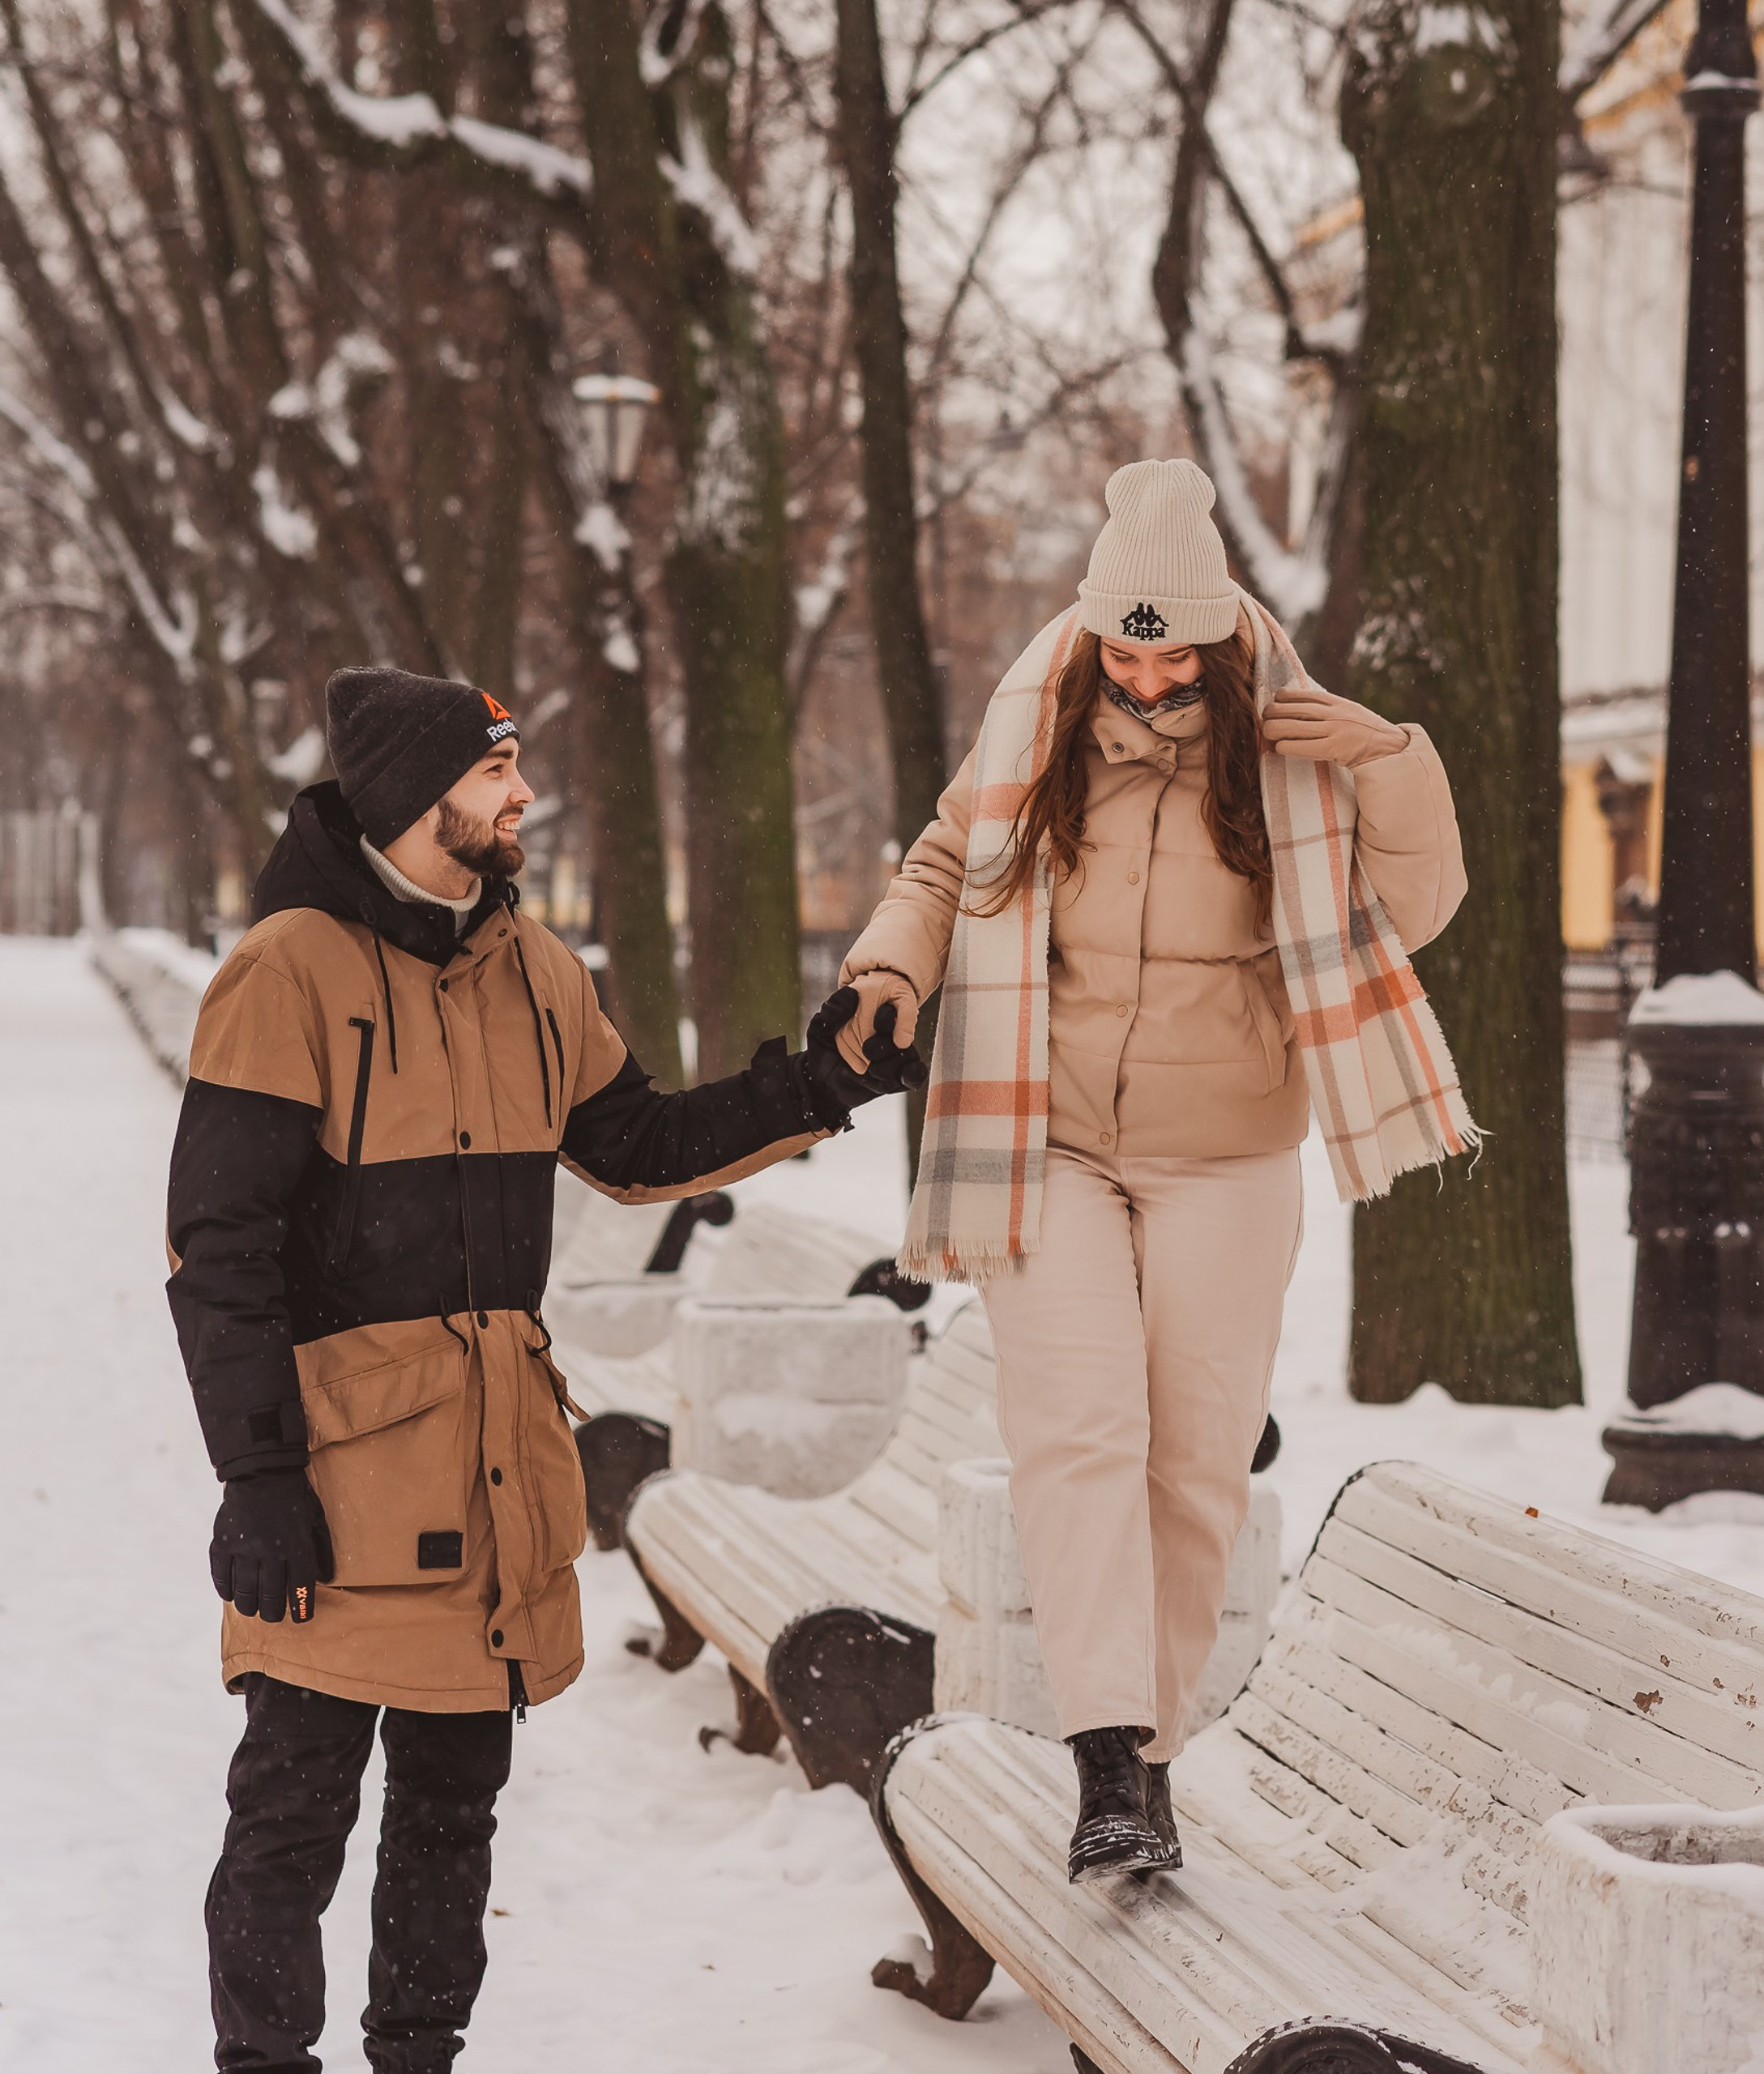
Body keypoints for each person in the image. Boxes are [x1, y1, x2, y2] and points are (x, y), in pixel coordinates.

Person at [168, 666, 917, 2073]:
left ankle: (419, 2058)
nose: (524, 795)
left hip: (492, 1472)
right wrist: (257, 1476)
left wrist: (819, 1081)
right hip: (334, 1490)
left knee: (453, 1818)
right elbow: (219, 1252)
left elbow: (637, 1148)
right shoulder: (288, 974)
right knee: (291, 1815)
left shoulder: (533, 970)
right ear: (415, 796)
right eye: (496, 774)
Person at [829, 459, 1473, 1880]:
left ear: (1221, 634)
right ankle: (1106, 1753)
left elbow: (1414, 913)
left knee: (1194, 1461)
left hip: (1228, 1151)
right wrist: (886, 966)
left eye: (1174, 646)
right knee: (1079, 1434)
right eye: (1126, 645)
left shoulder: (1295, 740)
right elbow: (943, 861)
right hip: (1041, 1137)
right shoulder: (1037, 716)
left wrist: (1394, 758)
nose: (1148, 671)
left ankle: (1154, 1762)